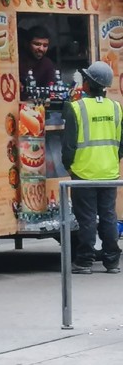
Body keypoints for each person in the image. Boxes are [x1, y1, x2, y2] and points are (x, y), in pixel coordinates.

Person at [61, 61, 123, 274]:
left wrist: (68, 166)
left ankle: (85, 261)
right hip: (109, 172)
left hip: (84, 172)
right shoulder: (116, 107)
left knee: (87, 218)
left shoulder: (76, 107)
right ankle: (112, 261)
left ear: (88, 83)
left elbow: (68, 145)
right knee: (108, 216)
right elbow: (121, 144)